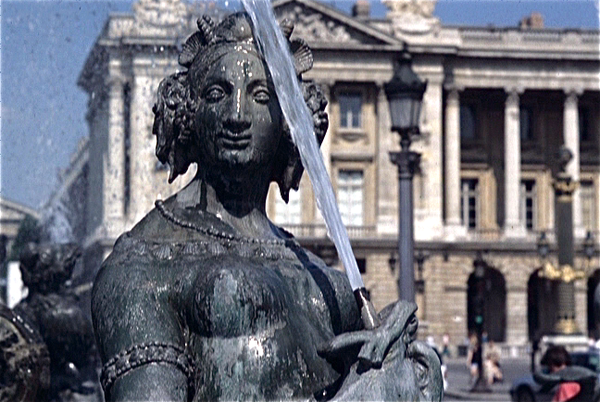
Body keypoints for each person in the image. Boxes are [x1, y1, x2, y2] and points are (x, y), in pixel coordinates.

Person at [91, 12, 442, 402]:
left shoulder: (326, 282)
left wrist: (399, 366)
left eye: (261, 96)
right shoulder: (144, 264)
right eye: (216, 94)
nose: (237, 116)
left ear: (289, 124)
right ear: (186, 113)